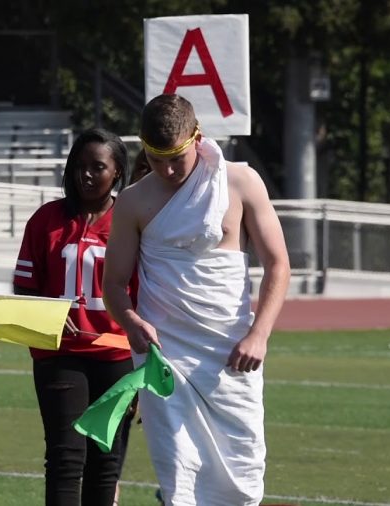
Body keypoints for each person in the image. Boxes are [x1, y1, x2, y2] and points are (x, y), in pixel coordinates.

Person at [102, 94, 291, 505]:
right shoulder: (134, 200)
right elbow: (113, 284)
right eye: (155, 159)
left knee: (242, 475)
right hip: (164, 354)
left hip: (232, 352)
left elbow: (278, 265)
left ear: (197, 139)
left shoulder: (241, 182)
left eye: (176, 158)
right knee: (178, 471)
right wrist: (132, 322)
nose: (167, 170)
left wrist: (259, 334)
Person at [13, 128, 136, 506]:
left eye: (97, 167)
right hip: (59, 353)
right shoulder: (47, 219)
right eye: (79, 166)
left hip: (117, 356)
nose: (86, 174)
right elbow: (25, 287)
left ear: (116, 172)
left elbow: (148, 294)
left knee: (106, 461)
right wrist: (48, 313)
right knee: (65, 459)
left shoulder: (132, 219)